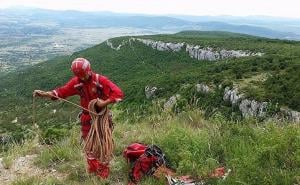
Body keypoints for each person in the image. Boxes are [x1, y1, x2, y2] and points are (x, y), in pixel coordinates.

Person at [33, 57, 124, 179]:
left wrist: (103, 103)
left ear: (89, 70)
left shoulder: (100, 80)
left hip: (101, 118)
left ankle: (103, 171)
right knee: (89, 145)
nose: (83, 78)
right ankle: (93, 169)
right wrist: (44, 94)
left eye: (84, 75)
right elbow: (61, 92)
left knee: (103, 144)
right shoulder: (77, 82)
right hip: (87, 118)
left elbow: (118, 94)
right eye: (80, 76)